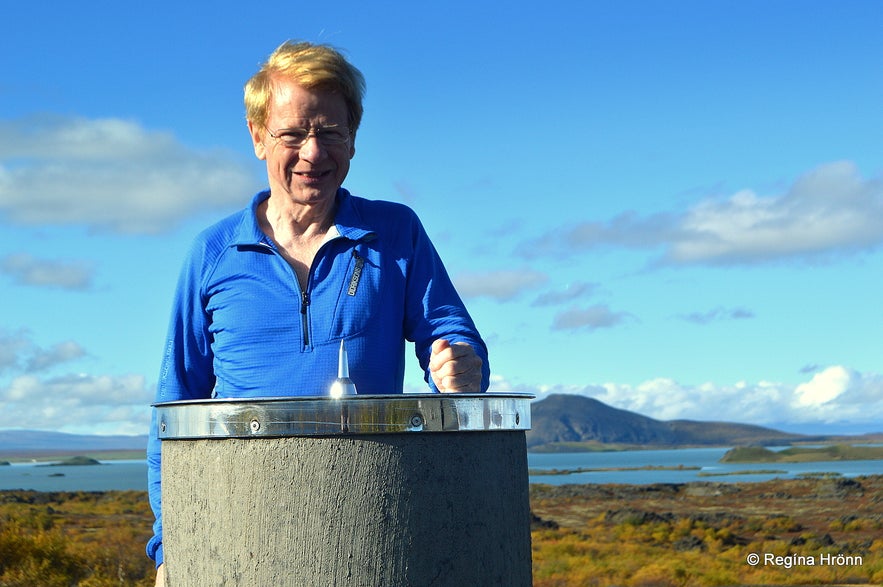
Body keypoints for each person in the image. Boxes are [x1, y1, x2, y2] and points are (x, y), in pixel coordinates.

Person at [146, 41, 489, 582]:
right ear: (258, 137)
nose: (313, 153)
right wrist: (168, 546)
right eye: (293, 134)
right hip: (240, 533)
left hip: (371, 531)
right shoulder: (211, 254)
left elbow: (450, 331)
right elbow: (175, 406)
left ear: (353, 139)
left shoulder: (396, 233)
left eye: (331, 132)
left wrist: (461, 362)